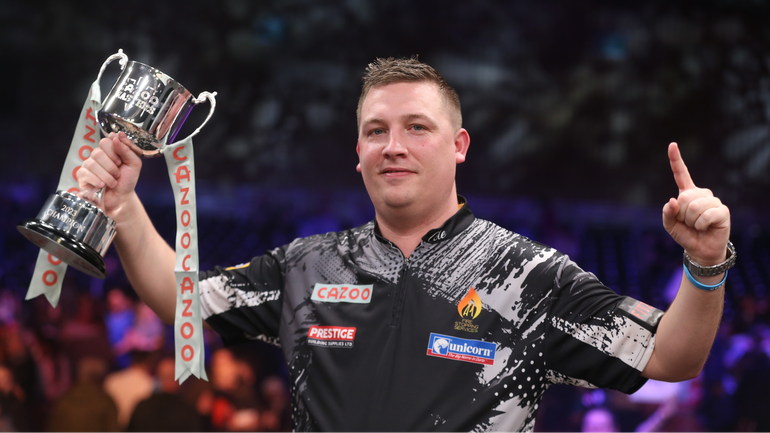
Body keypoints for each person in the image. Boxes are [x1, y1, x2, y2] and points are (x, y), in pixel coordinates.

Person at [77, 57, 733, 432]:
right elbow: (182, 301)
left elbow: (671, 356)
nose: (393, 146)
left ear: (459, 146)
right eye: (376, 130)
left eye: (417, 127)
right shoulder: (306, 266)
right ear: (358, 151)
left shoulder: (529, 276)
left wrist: (705, 266)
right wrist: (125, 207)